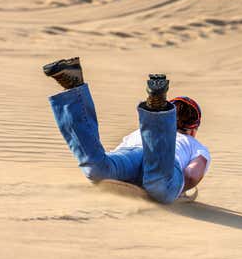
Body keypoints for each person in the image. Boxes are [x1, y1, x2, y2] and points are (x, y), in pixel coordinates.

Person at [43, 57, 210, 204]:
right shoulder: (195, 145)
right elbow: (191, 175)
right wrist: (179, 191)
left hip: (133, 151)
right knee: (159, 186)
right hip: (166, 161)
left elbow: (118, 153)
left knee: (98, 169)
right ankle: (156, 109)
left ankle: (73, 89)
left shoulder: (138, 133)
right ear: (194, 129)